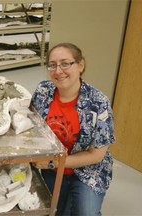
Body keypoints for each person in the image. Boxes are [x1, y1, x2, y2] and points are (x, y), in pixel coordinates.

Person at [32, 42, 115, 216]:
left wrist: (53, 162)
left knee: (85, 212)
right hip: (51, 169)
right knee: (50, 209)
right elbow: (30, 126)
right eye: (52, 65)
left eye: (65, 63)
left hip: (88, 170)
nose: (58, 71)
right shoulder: (43, 91)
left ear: (81, 65)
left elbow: (96, 155)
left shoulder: (98, 103)